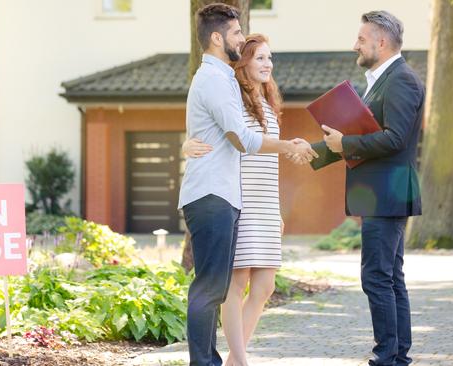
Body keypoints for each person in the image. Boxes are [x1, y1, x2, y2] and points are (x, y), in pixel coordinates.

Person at [178, 3, 317, 365]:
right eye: (237, 33)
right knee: (213, 288)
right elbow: (239, 138)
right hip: (216, 194)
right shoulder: (216, 80)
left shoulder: (221, 78)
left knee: (219, 287)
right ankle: (217, 361)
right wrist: (288, 146)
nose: (241, 37)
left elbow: (211, 128)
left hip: (231, 195)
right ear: (216, 37)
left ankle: (220, 360)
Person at [310, 10, 424, 366]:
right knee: (389, 277)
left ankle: (387, 357)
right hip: (384, 193)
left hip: (388, 193)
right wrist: (309, 151)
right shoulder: (381, 79)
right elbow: (357, 135)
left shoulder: (401, 79)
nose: (354, 46)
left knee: (377, 277)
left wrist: (347, 144)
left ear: (381, 41)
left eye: (360, 39)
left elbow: (394, 138)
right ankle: (396, 355)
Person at [183, 33, 285, 366]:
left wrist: (277, 208)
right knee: (236, 283)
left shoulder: (269, 104)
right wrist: (184, 146)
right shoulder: (232, 98)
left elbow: (270, 160)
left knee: (266, 284)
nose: (267, 64)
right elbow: (210, 136)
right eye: (259, 58)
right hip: (238, 194)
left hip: (266, 200)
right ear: (243, 63)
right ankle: (240, 359)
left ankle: (232, 360)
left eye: (270, 58)